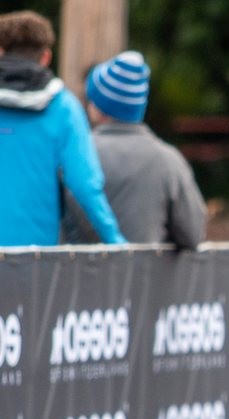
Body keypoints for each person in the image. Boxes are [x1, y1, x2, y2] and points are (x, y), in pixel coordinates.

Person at [0, 10, 124, 247]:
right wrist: (116, 243)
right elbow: (84, 185)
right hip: (34, 261)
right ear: (46, 57)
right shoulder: (64, 108)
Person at [62, 50, 207, 248]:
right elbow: (192, 234)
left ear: (98, 106)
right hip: (146, 278)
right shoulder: (169, 160)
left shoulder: (76, 154)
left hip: (79, 277)